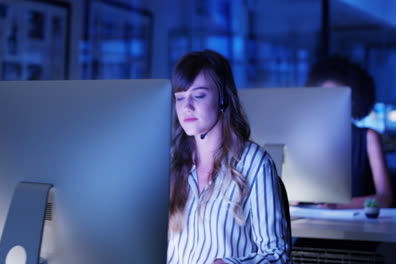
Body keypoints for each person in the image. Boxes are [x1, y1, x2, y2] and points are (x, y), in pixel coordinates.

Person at [166, 50, 290, 264]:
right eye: (180, 98)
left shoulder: (255, 163)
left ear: (223, 98)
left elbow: (277, 256)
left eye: (199, 95)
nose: (186, 107)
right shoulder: (170, 162)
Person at [306, 55, 393, 209]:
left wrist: (337, 205)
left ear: (353, 100)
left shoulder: (367, 137)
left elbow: (385, 198)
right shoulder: (308, 139)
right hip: (313, 224)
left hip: (355, 228)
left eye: (336, 97)